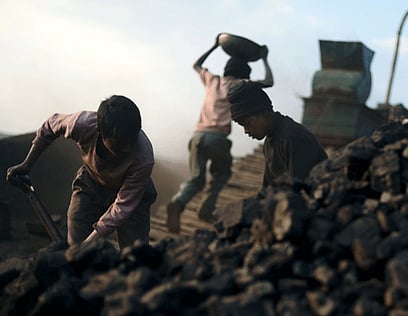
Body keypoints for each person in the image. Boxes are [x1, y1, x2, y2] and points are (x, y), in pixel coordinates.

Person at [6, 95, 157, 250]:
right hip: (91, 182)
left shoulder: (143, 159)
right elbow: (49, 127)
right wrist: (27, 164)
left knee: (135, 253)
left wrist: (87, 244)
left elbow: (122, 208)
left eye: (133, 140)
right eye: (120, 144)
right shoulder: (82, 124)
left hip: (133, 195)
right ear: (100, 131)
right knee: (76, 239)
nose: (128, 148)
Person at [166, 34, 274, 233]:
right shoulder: (241, 85)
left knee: (196, 178)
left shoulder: (212, 80)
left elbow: (196, 65)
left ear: (226, 69)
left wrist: (215, 46)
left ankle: (179, 202)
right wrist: (265, 58)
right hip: (219, 140)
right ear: (245, 73)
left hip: (197, 136)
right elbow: (269, 81)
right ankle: (206, 209)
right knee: (222, 173)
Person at [227, 80, 328, 193]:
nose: (246, 131)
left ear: (264, 112)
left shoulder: (293, 138)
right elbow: (268, 189)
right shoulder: (270, 141)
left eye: (249, 123)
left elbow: (299, 191)